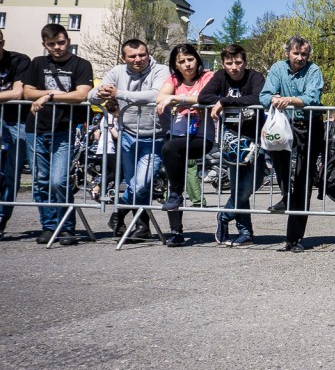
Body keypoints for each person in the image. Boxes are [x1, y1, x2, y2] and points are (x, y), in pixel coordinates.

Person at [88, 38, 167, 239]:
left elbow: (155, 95)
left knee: (140, 185)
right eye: (132, 56)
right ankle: (142, 227)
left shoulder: (161, 70)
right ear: (124, 58)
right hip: (126, 135)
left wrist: (119, 93)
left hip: (154, 136)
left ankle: (118, 214)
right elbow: (91, 96)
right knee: (135, 184)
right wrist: (101, 93)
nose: (138, 59)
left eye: (142, 54)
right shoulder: (117, 71)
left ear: (148, 53)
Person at [22, 24, 93, 244]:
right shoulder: (38, 63)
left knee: (59, 181)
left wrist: (48, 97)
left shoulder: (81, 64)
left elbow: (81, 95)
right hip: (36, 129)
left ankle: (66, 227)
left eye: (61, 42)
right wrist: (53, 92)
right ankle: (49, 226)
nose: (57, 47)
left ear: (68, 41)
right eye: (51, 44)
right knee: (40, 182)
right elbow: (27, 92)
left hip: (64, 129)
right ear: (44, 44)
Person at [260, 36, 325, 252]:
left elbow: (312, 98)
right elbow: (265, 95)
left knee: (303, 179)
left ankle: (294, 238)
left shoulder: (314, 70)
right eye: (296, 53)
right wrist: (274, 99)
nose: (300, 58)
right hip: (283, 126)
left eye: (304, 54)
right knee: (280, 164)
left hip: (309, 126)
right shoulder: (278, 68)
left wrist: (288, 100)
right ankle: (286, 196)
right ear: (287, 53)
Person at [198, 43, 266, 246]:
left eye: (238, 62)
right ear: (223, 64)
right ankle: (245, 232)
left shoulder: (255, 77)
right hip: (232, 141)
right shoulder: (220, 77)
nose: (234, 67)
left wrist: (225, 101)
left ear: (245, 62)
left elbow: (258, 98)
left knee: (254, 182)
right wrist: (226, 100)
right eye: (229, 63)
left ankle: (224, 215)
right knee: (238, 188)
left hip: (255, 138)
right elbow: (203, 97)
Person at [155, 44, 216, 245]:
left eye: (190, 59)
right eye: (181, 61)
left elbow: (206, 97)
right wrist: (178, 99)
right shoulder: (173, 79)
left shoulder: (208, 76)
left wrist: (177, 98)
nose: (187, 64)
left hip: (201, 136)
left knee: (168, 148)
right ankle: (176, 232)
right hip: (178, 133)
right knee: (174, 185)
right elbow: (160, 97)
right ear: (176, 65)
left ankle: (175, 196)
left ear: (197, 59)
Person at [0, 31, 31, 237]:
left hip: (16, 121)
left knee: (10, 172)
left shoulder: (19, 60)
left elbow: (17, 92)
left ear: (2, 42)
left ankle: (2, 218)